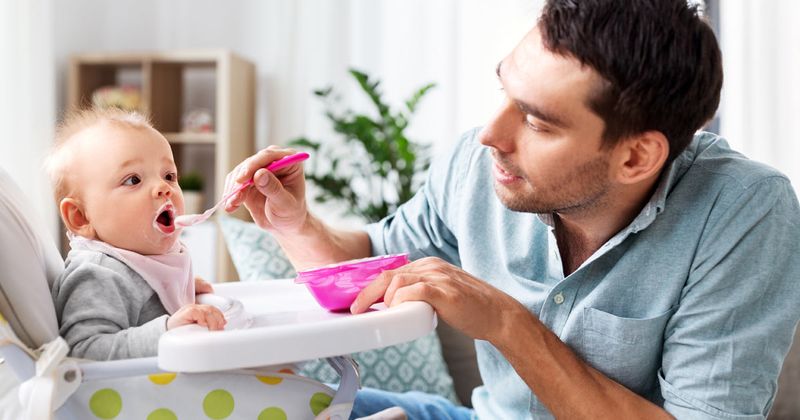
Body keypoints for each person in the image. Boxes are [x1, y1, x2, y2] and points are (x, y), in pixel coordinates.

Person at [226, 0, 800, 418]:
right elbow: (368, 269)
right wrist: (294, 224)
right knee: (241, 403)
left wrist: (506, 323)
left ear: (636, 157)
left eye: (536, 120)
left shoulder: (745, 211)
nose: (489, 136)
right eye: (504, 91)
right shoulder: (480, 167)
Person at [46, 108, 226, 360]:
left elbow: (139, 298)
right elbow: (84, 350)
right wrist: (167, 331)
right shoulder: (99, 274)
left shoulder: (136, 261)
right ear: (81, 217)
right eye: (133, 180)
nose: (163, 188)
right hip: (134, 398)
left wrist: (175, 289)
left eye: (169, 175)